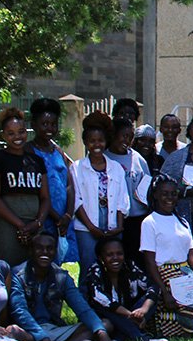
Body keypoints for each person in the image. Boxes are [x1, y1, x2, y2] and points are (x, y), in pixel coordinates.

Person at [140, 176, 193, 337]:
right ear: (155, 195)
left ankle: (192, 327)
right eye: (165, 194)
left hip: (185, 271)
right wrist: (164, 291)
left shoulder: (181, 221)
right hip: (165, 274)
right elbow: (150, 261)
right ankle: (182, 328)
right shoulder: (149, 222)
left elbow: (192, 254)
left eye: (173, 194)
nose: (170, 198)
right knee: (183, 310)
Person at [10, 231, 117, 341]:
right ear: (31, 251)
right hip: (30, 330)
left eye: (49, 249)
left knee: (105, 325)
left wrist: (102, 334)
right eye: (39, 248)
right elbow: (20, 312)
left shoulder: (61, 276)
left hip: (55, 329)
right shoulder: (18, 275)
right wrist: (42, 338)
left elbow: (82, 308)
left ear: (55, 252)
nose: (45, 252)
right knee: (13, 331)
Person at [0, 107, 50, 269]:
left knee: (35, 269)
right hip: (8, 226)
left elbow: (45, 197)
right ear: (3, 135)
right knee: (7, 269)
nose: (17, 137)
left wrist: (37, 223)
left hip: (34, 226)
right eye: (11, 133)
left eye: (21, 132)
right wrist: (20, 225)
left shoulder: (36, 161)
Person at [71, 112, 130, 276]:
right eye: (92, 141)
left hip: (112, 226)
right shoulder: (77, 168)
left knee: (113, 269)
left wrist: (118, 226)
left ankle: (113, 300)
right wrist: (91, 227)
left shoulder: (116, 168)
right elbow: (76, 200)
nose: (97, 145)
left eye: (101, 141)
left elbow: (122, 200)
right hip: (87, 227)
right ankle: (85, 300)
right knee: (88, 268)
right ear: (85, 142)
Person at [82, 237, 166, 341]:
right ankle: (143, 339)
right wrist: (130, 315)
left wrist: (143, 310)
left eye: (119, 253)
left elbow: (152, 286)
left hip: (129, 311)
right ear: (100, 257)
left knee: (151, 300)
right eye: (109, 255)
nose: (115, 258)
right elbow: (101, 300)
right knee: (103, 307)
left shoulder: (129, 265)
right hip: (107, 315)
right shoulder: (95, 270)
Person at [29, 98, 77, 264]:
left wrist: (68, 215)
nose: (49, 128)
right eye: (44, 124)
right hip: (44, 217)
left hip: (63, 217)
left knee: (61, 263)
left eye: (53, 124)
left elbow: (69, 185)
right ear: (34, 124)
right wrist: (56, 217)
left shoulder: (58, 150)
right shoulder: (29, 151)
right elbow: (36, 190)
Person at [107, 117, 152, 257]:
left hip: (137, 218)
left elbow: (147, 186)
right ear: (114, 135)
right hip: (114, 219)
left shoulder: (138, 159)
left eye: (130, 137)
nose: (127, 141)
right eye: (124, 136)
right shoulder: (105, 158)